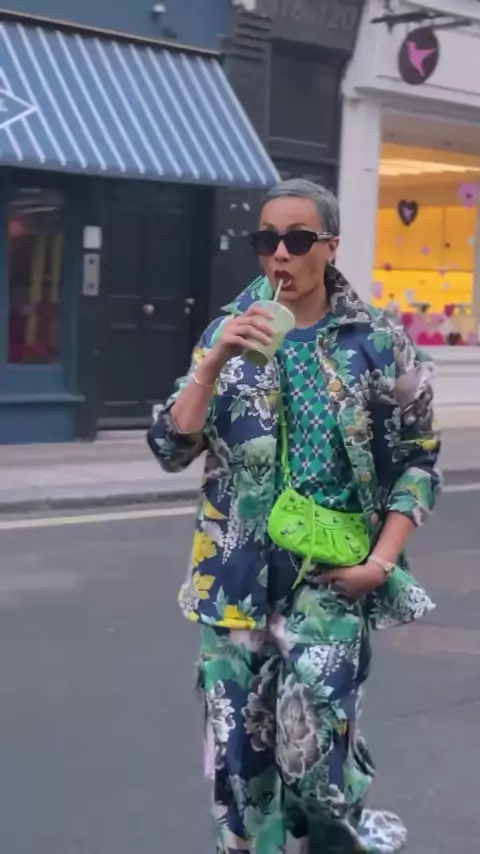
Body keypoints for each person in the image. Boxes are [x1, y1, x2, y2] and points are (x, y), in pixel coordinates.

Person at [147, 179, 442, 854]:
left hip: (331, 578)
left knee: (314, 762)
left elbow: (419, 461)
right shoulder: (227, 331)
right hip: (234, 582)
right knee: (241, 776)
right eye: (267, 240)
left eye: (298, 239)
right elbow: (170, 447)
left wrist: (380, 564)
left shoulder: (376, 342)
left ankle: (339, 832)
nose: (280, 254)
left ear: (330, 247)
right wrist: (213, 363)